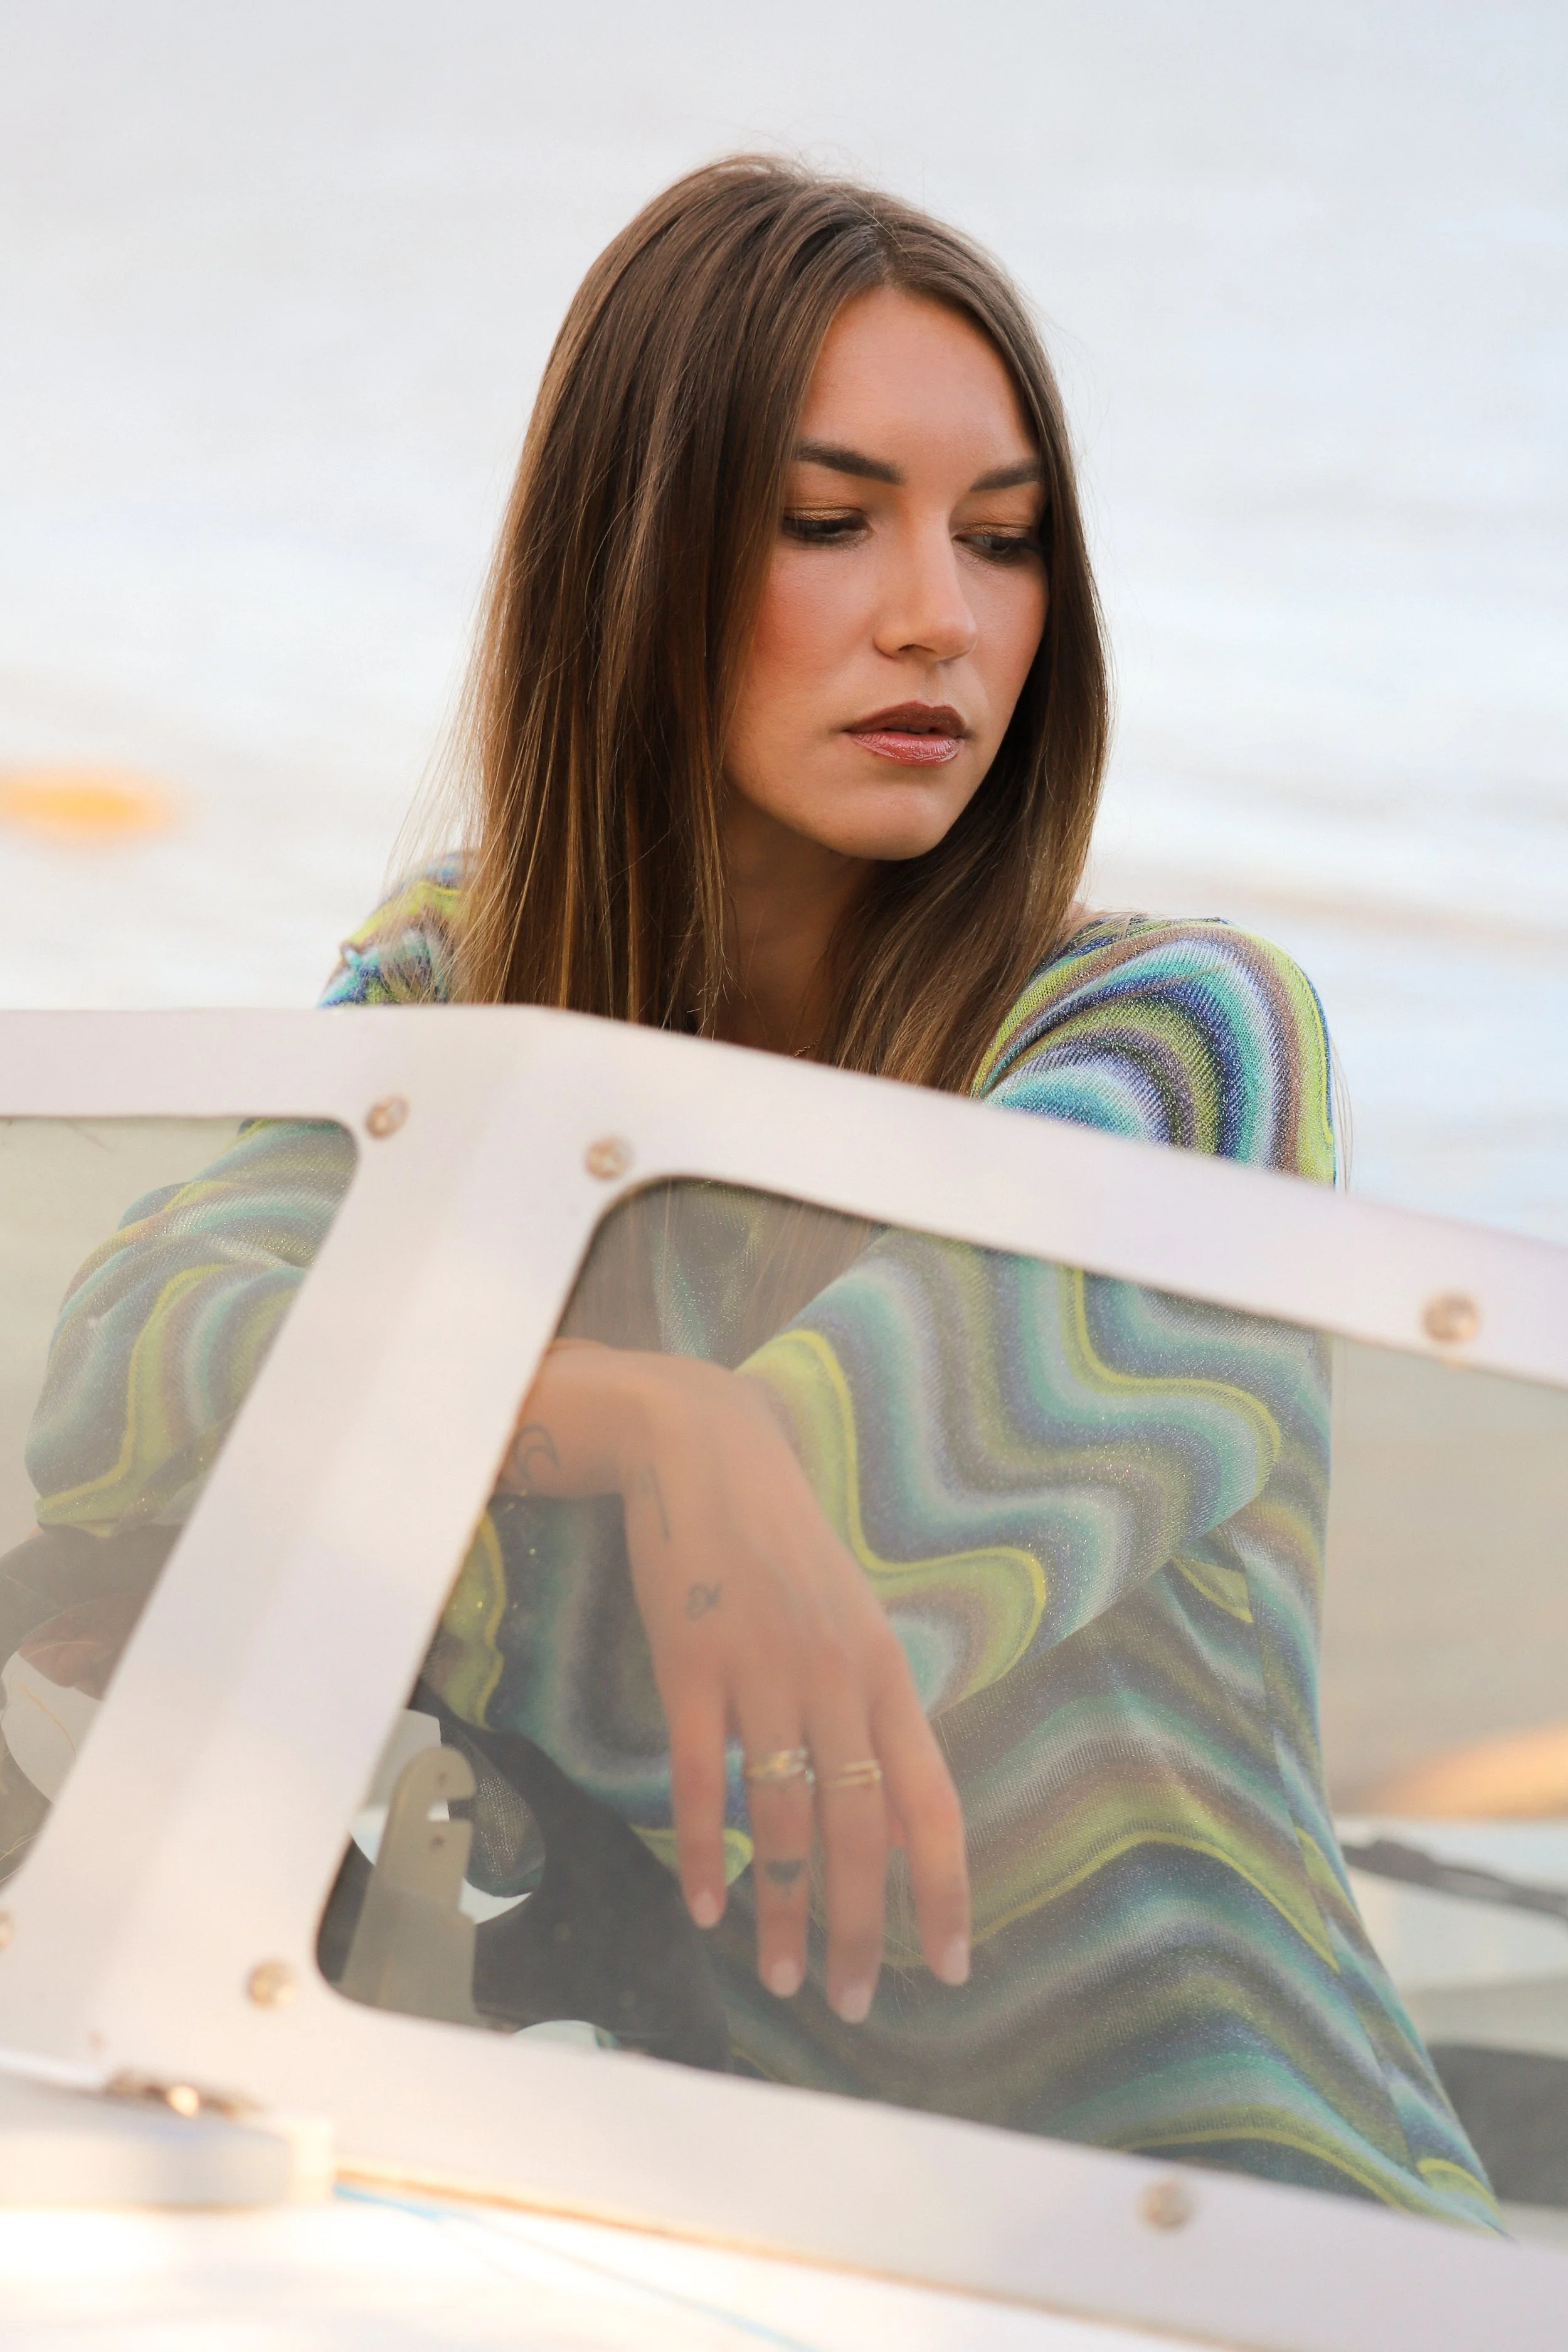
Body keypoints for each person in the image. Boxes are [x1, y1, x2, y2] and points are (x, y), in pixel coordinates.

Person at [24, 158, 1496, 2228]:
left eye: (1003, 543)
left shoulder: (1184, 1045)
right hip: (697, 2203)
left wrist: (298, 1517)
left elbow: (720, 1670)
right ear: (631, 556)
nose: (938, 616)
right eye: (830, 523)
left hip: (1218, 2227)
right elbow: (110, 1377)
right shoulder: (454, 979)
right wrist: (643, 1422)